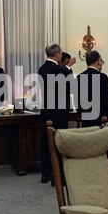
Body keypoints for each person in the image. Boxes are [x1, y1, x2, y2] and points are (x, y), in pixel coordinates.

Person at [38, 43, 74, 184]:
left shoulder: (42, 69)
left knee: (46, 141)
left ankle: (45, 173)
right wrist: (69, 67)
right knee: (59, 142)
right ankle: (57, 176)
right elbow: (69, 85)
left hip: (46, 109)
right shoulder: (58, 70)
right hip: (59, 111)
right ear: (58, 54)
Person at [77, 50, 108, 129]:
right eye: (101, 61)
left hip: (86, 121)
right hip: (101, 121)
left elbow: (77, 102)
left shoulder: (79, 77)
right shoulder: (103, 77)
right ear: (98, 61)